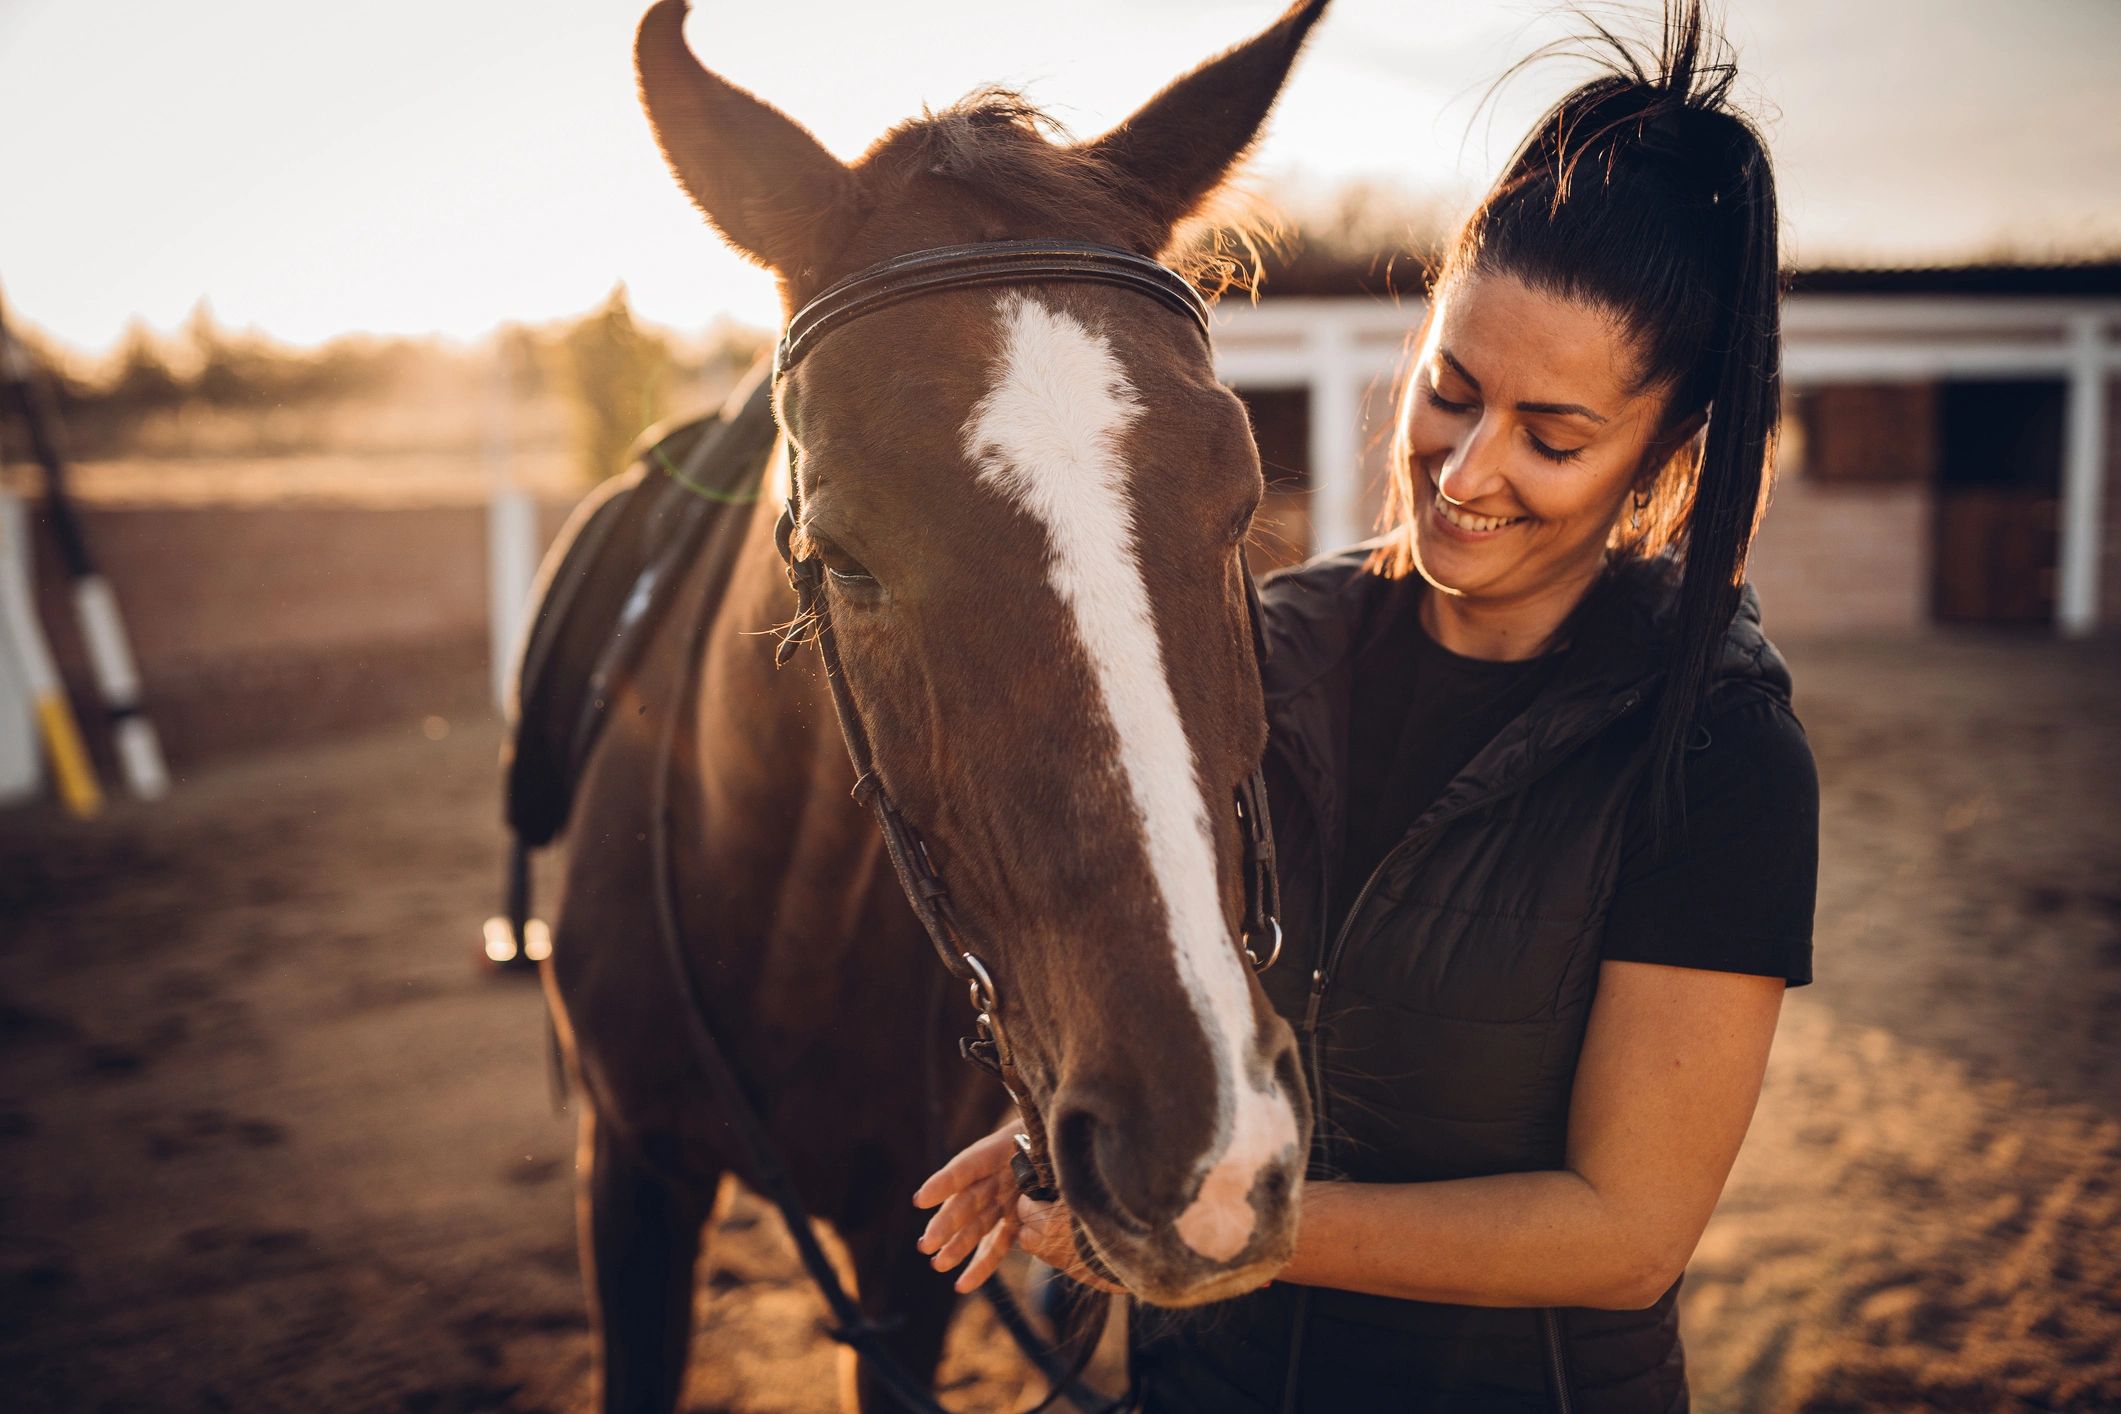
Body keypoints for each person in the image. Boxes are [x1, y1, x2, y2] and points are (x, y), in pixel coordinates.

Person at [913, 3, 1818, 1408]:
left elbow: (1625, 1232)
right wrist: (1065, 1140)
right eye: (1450, 390)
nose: (1463, 472)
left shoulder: (1719, 754)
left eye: (1553, 435)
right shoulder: (1257, 648)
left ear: (1663, 457)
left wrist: (1222, 1228)